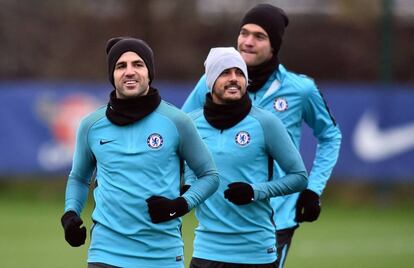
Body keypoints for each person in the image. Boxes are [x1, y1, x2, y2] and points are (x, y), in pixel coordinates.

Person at [182, 4, 342, 267]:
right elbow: (181, 132)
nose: (247, 41)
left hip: (275, 218)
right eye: (244, 33)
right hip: (218, 222)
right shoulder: (211, 83)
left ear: (274, 45)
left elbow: (330, 135)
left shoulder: (300, 89)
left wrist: (313, 189)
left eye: (259, 36)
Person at [60, 37, 219, 268]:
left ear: (149, 72)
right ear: (112, 75)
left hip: (162, 256)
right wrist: (70, 214)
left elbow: (210, 175)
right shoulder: (91, 125)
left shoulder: (177, 121)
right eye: (121, 66)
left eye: (138, 64)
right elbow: (79, 177)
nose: (129, 72)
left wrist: (180, 205)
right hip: (106, 253)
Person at [184, 47, 308, 268]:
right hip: (206, 252)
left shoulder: (266, 123)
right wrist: (187, 191)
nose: (234, 79)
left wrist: (255, 191)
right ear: (211, 80)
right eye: (225, 72)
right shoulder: (191, 125)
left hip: (256, 253)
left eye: (239, 73)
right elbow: (189, 176)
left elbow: (299, 176)